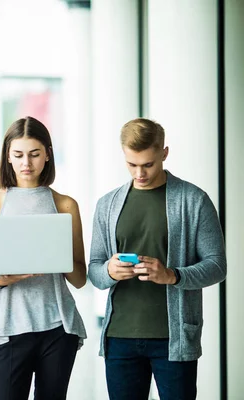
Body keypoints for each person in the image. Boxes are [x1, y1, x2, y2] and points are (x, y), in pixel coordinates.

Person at [88, 118, 227, 400]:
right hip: (120, 337)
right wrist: (110, 271)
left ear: (164, 153)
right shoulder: (107, 204)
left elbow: (217, 266)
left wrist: (172, 275)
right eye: (132, 164)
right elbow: (94, 269)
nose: (140, 173)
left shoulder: (194, 200)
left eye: (148, 164)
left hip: (173, 340)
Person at [0, 116, 87, 400]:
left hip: (58, 327)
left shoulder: (65, 204)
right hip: (9, 327)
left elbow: (79, 278)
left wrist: (57, 257)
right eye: (19, 155)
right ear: (8, 157)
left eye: (35, 154)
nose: (27, 163)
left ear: (47, 154)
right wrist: (4, 279)